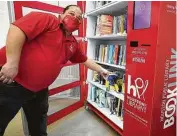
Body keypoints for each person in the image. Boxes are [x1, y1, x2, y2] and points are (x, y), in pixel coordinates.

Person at [0, 5, 109, 136]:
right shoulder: (48, 20)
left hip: (39, 91)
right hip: (12, 83)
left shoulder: (73, 43)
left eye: (79, 17)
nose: (74, 18)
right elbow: (17, 29)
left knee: (39, 127)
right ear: (62, 15)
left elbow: (84, 59)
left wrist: (101, 70)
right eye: (71, 13)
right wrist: (12, 62)